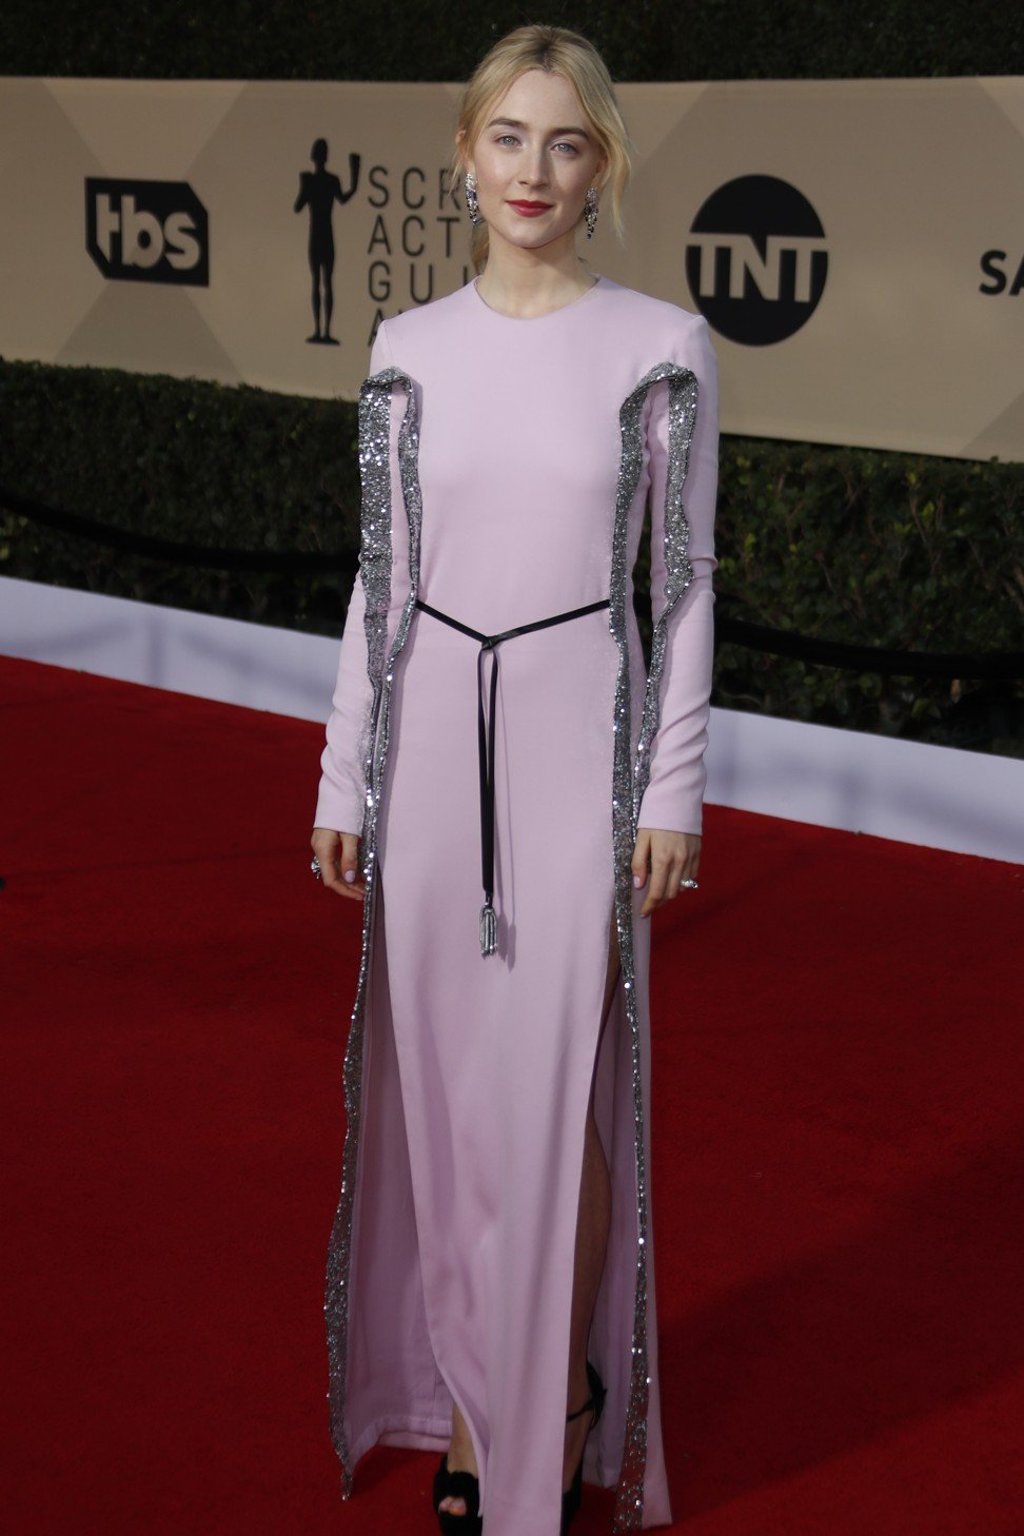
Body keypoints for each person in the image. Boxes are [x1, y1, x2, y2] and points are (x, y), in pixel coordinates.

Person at [310, 23, 718, 1536]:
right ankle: (483, 1412)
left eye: (564, 143)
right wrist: (346, 774)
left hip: (577, 764)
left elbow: (677, 587)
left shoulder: (660, 346)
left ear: (600, 164)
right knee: (451, 1111)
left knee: (553, 1105)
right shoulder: (407, 348)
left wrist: (670, 786)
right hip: (425, 762)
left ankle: (546, 1411)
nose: (532, 171)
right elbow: (381, 579)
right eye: (507, 139)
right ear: (466, 153)